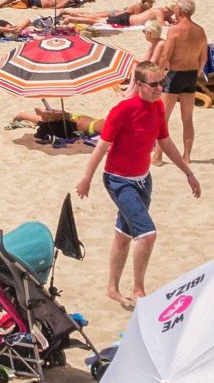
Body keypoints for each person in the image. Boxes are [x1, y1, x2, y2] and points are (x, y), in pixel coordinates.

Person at [74, 65, 200, 309]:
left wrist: (188, 171)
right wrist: (86, 177)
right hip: (118, 181)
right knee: (148, 234)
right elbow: (102, 146)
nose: (158, 89)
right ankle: (138, 289)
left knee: (123, 235)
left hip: (143, 180)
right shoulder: (122, 110)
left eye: (161, 84)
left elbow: (164, 141)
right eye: (153, 85)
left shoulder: (158, 107)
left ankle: (112, 288)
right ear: (139, 84)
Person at [154, 0, 209, 156]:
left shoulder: (175, 30)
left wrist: (159, 74)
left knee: (163, 118)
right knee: (187, 119)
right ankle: (187, 157)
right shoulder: (200, 31)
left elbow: (165, 56)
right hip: (191, 74)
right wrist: (197, 73)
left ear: (180, 11)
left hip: (175, 74)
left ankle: (157, 155)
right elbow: (203, 58)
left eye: (176, 8)